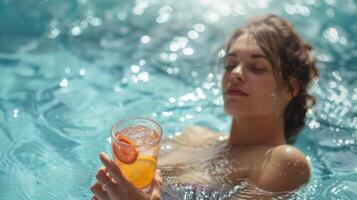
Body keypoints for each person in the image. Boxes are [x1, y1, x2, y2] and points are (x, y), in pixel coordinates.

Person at [90, 14, 318, 199]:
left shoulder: (282, 162)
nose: (235, 74)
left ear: (291, 88)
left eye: (257, 68)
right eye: (230, 65)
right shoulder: (193, 135)